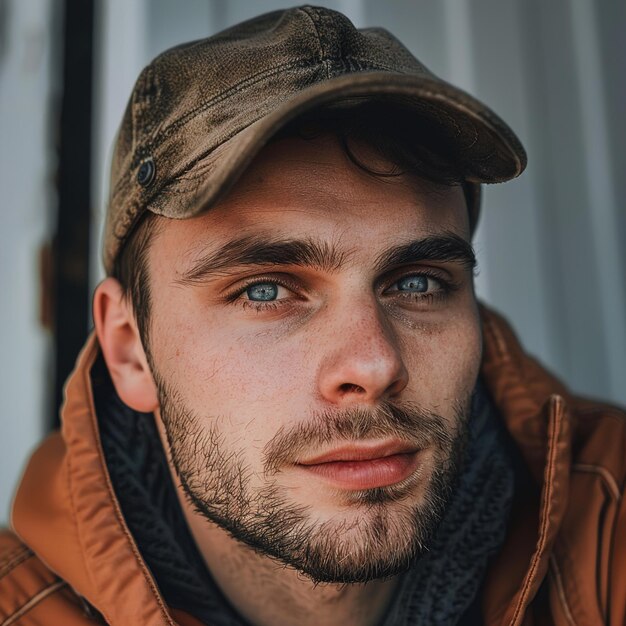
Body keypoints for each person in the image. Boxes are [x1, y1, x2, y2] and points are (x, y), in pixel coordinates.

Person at [1, 6, 624, 626]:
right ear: (129, 347)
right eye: (266, 291)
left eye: (417, 282)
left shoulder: (610, 528)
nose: (375, 364)